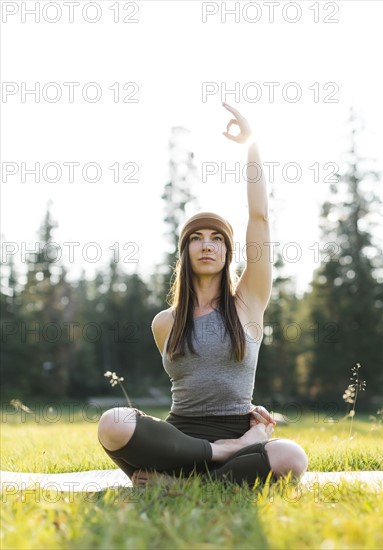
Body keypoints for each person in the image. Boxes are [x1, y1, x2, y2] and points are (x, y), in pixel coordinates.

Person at [97, 103, 308, 487]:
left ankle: (181, 485)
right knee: (113, 423)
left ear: (229, 252)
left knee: (291, 455)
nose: (206, 246)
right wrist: (224, 446)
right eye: (196, 238)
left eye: (216, 239)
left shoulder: (249, 302)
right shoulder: (165, 322)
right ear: (185, 251)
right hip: (181, 440)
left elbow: (260, 217)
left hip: (241, 435)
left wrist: (251, 147)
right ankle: (211, 463)